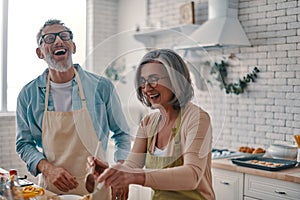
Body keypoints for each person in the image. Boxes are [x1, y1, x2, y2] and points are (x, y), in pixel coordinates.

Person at [15, 19, 131, 199]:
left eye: (64, 36)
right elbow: (23, 143)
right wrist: (48, 168)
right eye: (49, 38)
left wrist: (120, 171)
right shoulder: (28, 94)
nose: (58, 41)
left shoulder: (102, 87)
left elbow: (122, 134)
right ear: (40, 53)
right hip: (52, 189)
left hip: (97, 187)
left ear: (73, 47)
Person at [88, 49, 215, 200]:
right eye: (143, 82)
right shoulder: (149, 123)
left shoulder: (197, 118)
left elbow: (192, 176)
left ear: (175, 79)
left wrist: (134, 176)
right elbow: (131, 165)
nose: (147, 88)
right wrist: (111, 172)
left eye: (154, 79)